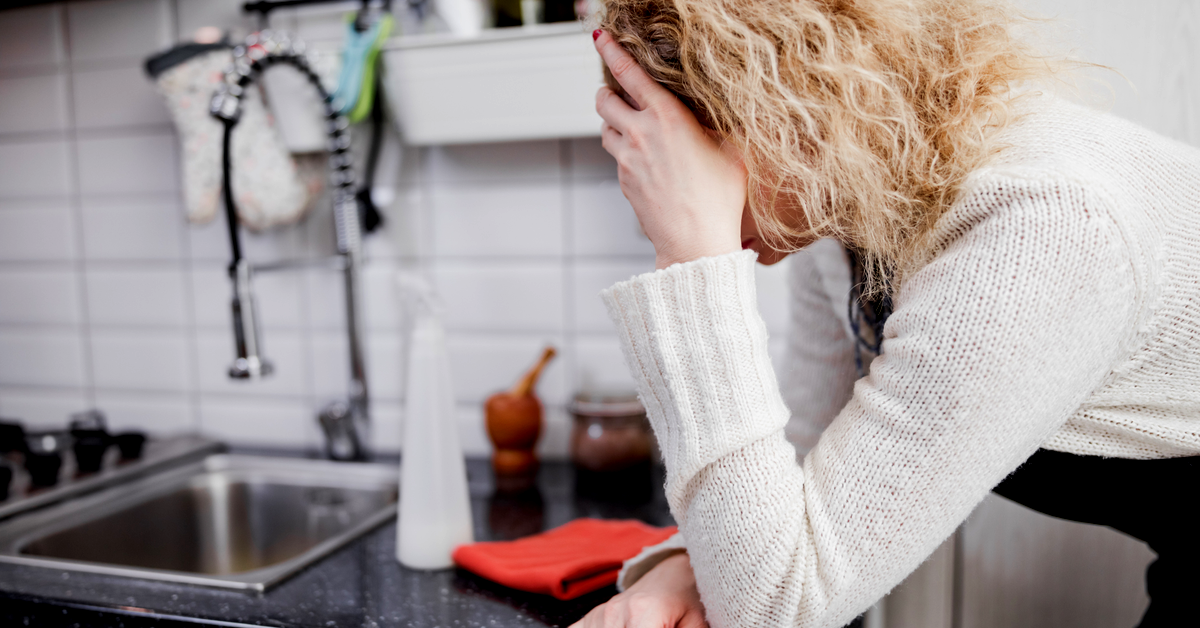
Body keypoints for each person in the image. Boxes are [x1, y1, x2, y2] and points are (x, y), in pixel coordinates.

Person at [570, 0, 1200, 627]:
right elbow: (800, 485)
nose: (661, 209)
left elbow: (779, 611)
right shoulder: (847, 213)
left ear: (780, 116)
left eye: (682, 173)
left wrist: (693, 258)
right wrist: (684, 568)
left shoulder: (1044, 228)